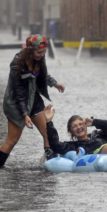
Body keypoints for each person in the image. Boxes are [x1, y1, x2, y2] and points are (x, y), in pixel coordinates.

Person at [0, 34, 65, 168]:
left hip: (33, 99)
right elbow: (19, 92)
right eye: (39, 52)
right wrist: (25, 115)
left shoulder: (39, 58)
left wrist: (54, 83)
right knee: (12, 140)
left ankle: (49, 158)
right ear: (30, 50)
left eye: (44, 52)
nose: (42, 55)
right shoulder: (17, 63)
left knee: (46, 131)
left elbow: (43, 74)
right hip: (16, 104)